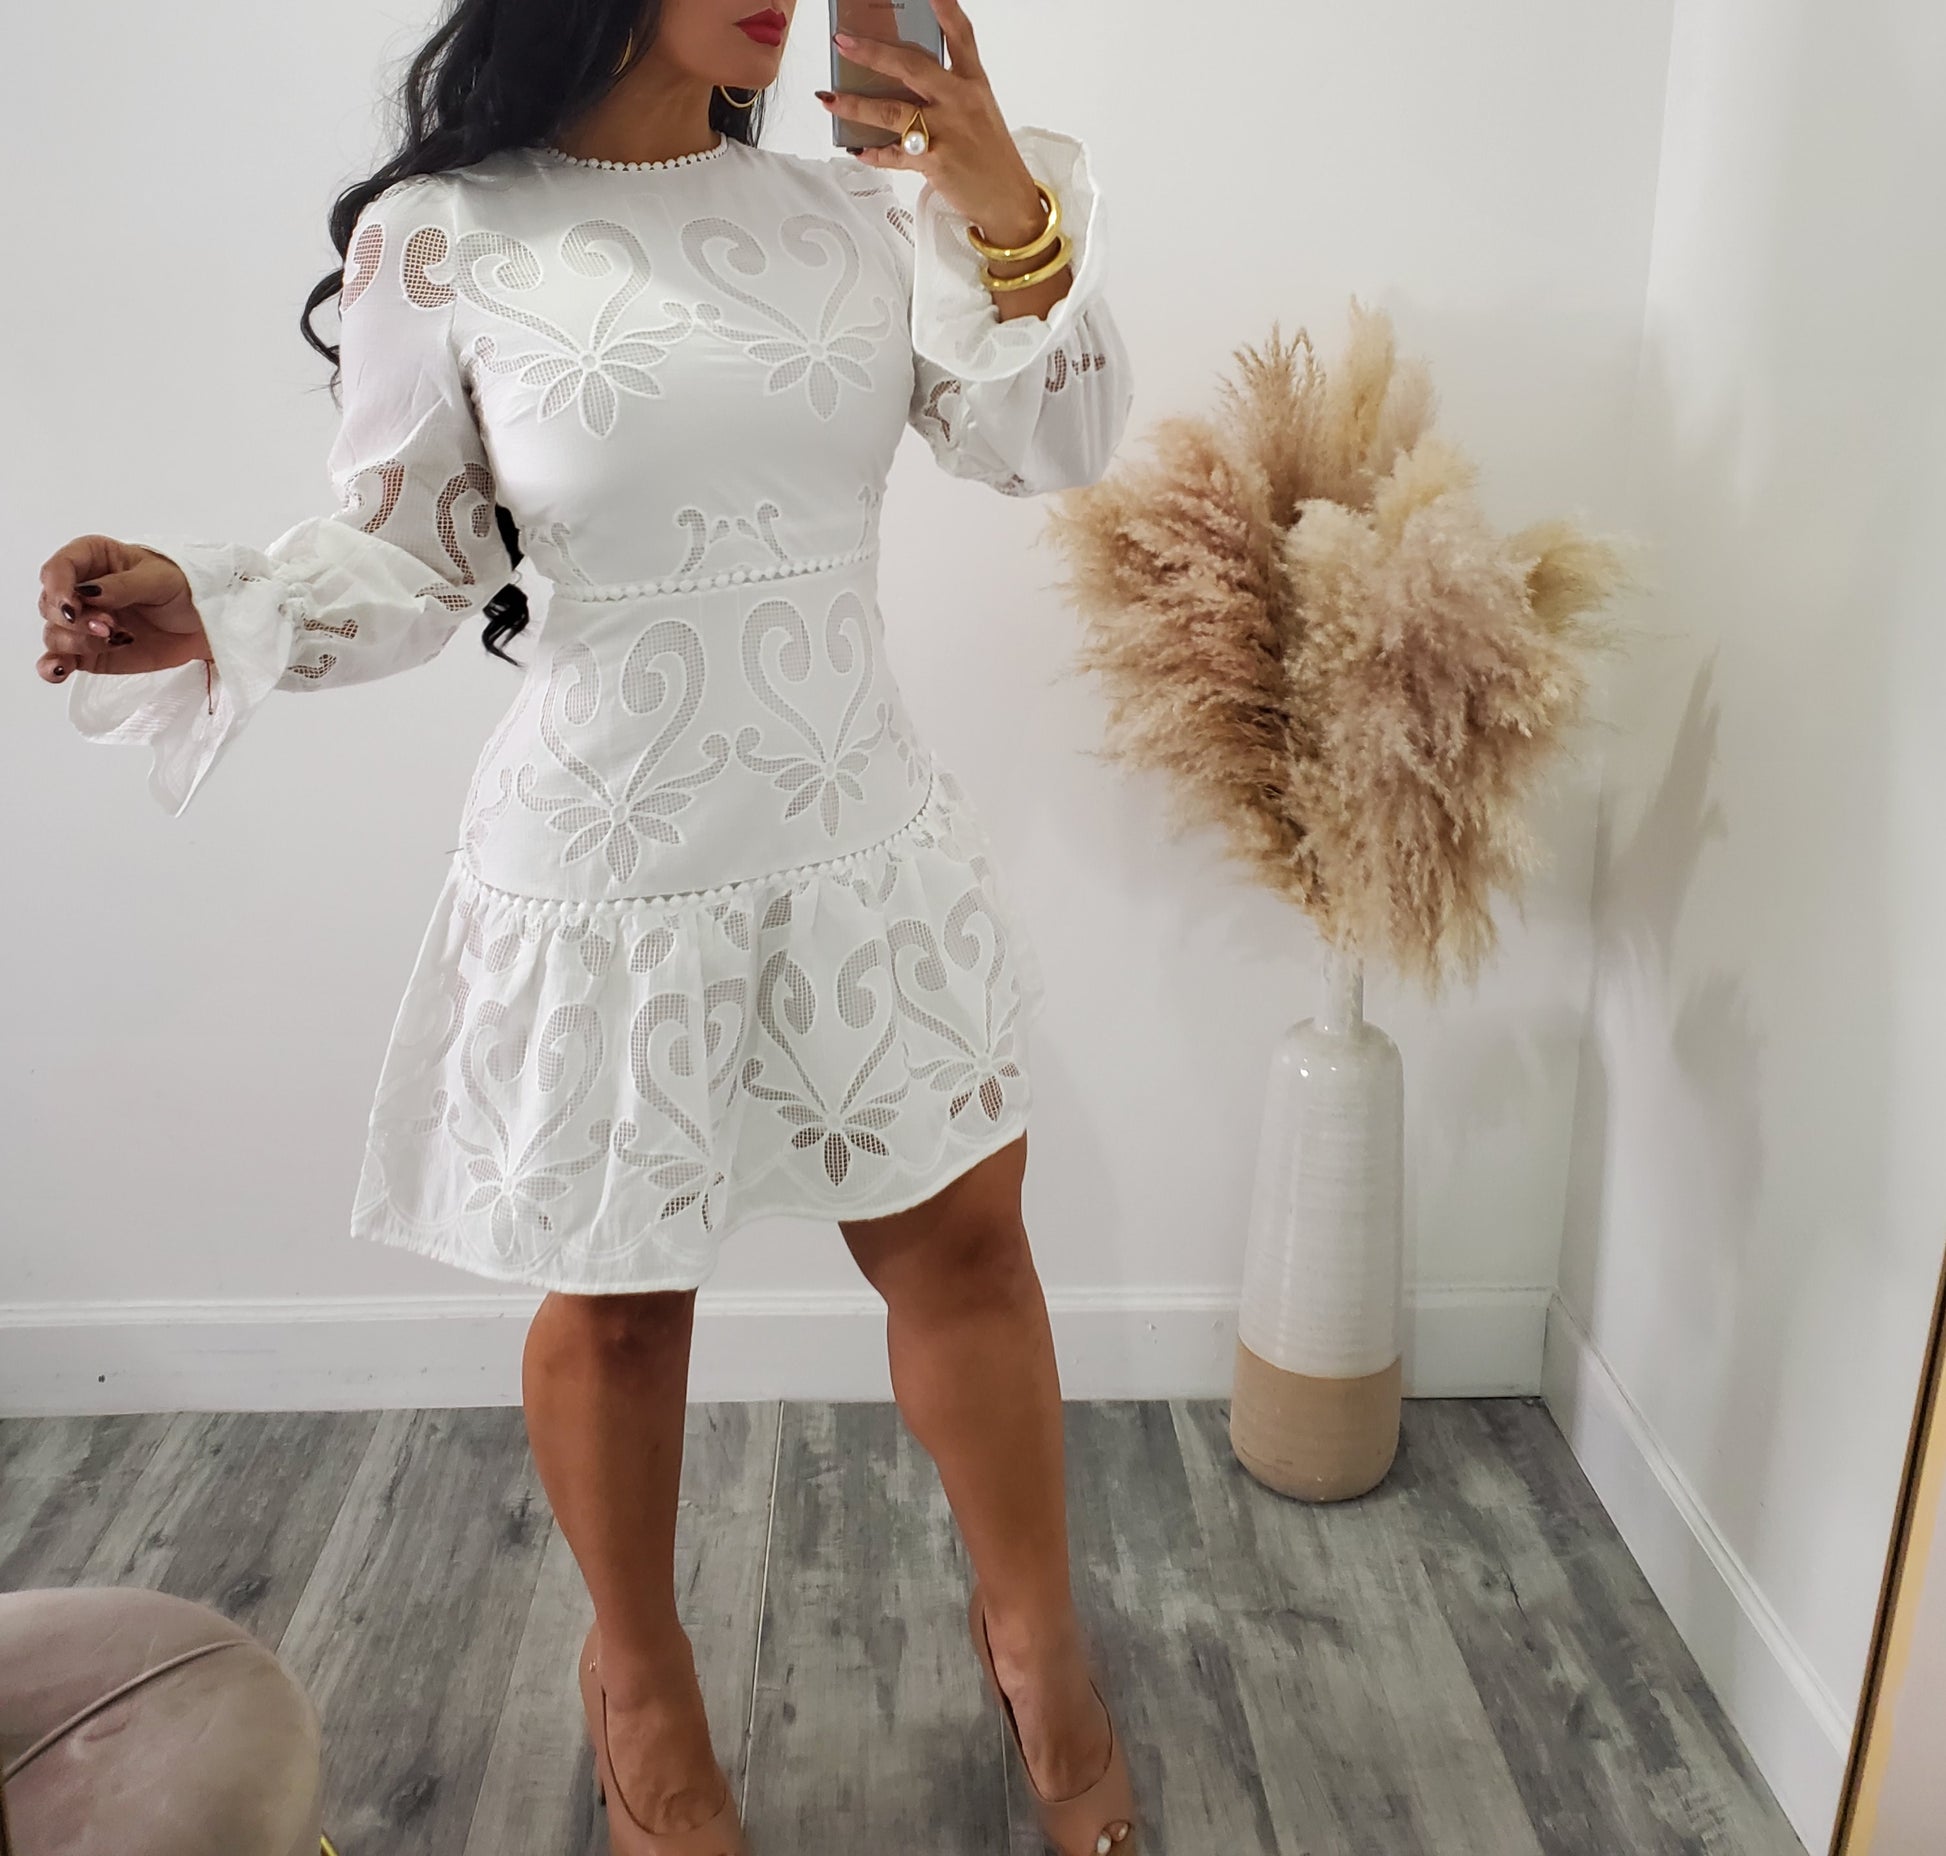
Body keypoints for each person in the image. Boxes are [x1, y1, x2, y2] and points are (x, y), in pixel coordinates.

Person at [34, 2, 1137, 1852]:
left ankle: (1036, 1642)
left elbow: (1059, 445)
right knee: (620, 1311)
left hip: (856, 833)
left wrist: (1003, 201)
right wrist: (215, 601)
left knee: (966, 1248)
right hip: (612, 861)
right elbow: (412, 557)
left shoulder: (857, 214)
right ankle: (640, 1681)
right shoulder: (447, 236)